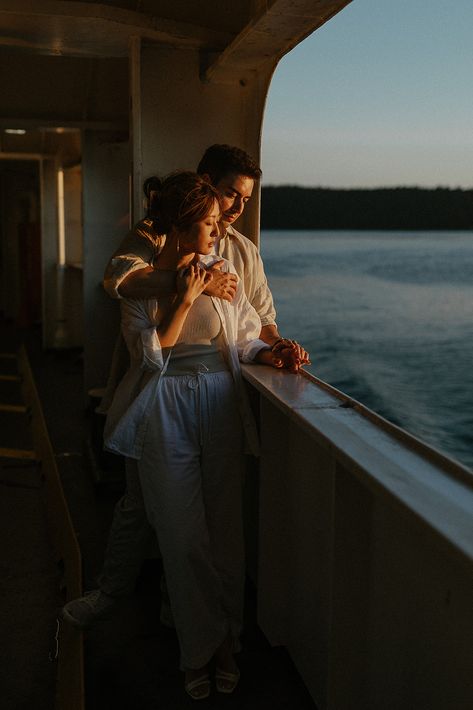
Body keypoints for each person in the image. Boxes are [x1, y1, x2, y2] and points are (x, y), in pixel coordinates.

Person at [61, 145, 309, 630]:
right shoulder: (157, 233)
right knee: (140, 506)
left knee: (206, 520)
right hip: (151, 387)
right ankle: (111, 593)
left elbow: (259, 319)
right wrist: (189, 281)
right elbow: (118, 279)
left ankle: (184, 613)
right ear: (204, 185)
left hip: (211, 394)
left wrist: (277, 347)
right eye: (230, 195)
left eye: (244, 200)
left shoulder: (242, 250)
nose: (236, 210)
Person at [101, 171, 302, 698]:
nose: (218, 233)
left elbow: (239, 339)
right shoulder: (142, 281)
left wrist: (271, 351)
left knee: (224, 531)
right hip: (165, 406)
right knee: (182, 535)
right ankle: (199, 649)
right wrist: (186, 296)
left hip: (217, 404)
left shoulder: (222, 271)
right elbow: (149, 355)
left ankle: (227, 641)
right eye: (210, 223)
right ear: (181, 228)